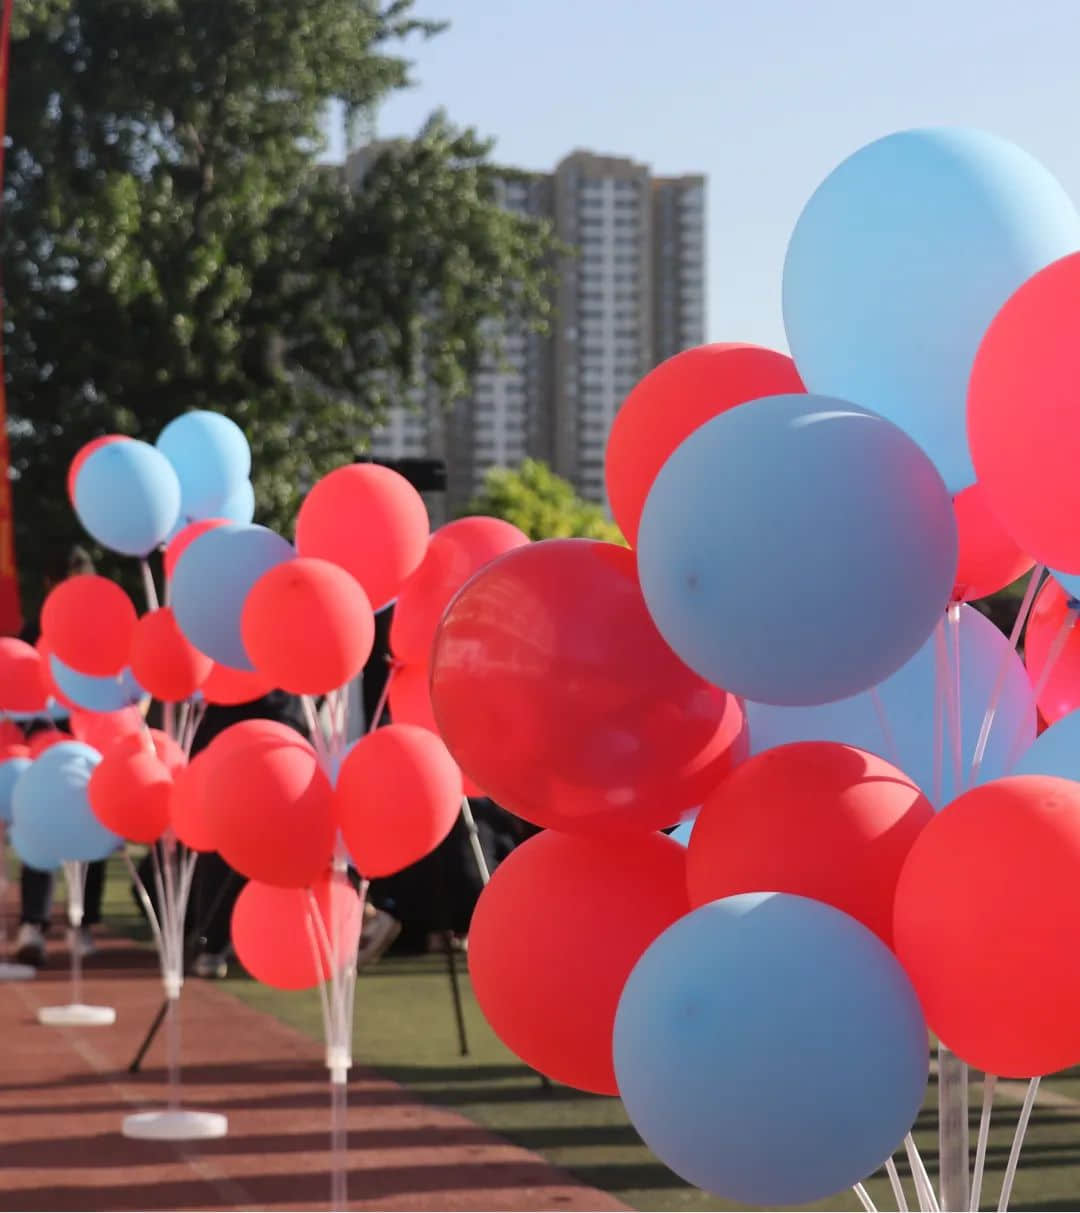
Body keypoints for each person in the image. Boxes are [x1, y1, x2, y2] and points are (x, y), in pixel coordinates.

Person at [14, 544, 106, 967]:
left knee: (96, 827)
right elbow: (16, 692)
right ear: (51, 585)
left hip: (91, 749)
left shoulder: (104, 634)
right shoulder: (32, 634)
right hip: (43, 750)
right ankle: (33, 923)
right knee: (40, 828)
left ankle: (82, 924)